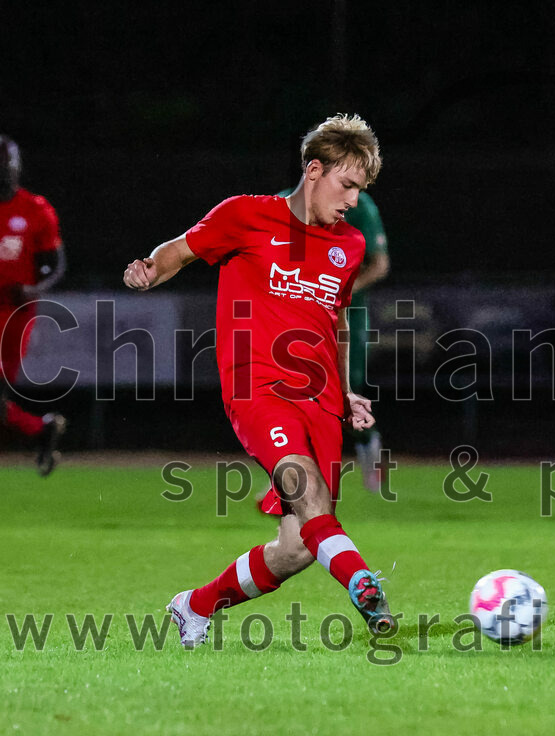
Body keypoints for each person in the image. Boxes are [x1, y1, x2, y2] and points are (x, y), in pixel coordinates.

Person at [123, 114, 396, 647]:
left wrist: (344, 391)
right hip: (257, 391)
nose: (350, 201)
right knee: (308, 490)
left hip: (320, 400)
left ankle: (193, 606)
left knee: (297, 546)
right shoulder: (246, 215)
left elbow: (335, 319)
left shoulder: (350, 246)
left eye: (359, 191)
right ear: (314, 170)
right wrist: (149, 270)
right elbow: (177, 250)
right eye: (346, 187)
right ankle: (366, 588)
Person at [273, 182, 391, 493]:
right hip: (296, 316)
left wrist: (340, 293)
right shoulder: (284, 202)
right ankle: (291, 474)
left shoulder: (357, 205)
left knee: (343, 393)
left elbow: (379, 264)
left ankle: (369, 445)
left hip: (345, 316)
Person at [0, 134, 67, 476]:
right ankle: (41, 428)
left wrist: (33, 287)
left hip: (11, 316)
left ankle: (40, 428)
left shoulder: (34, 209)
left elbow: (55, 264)